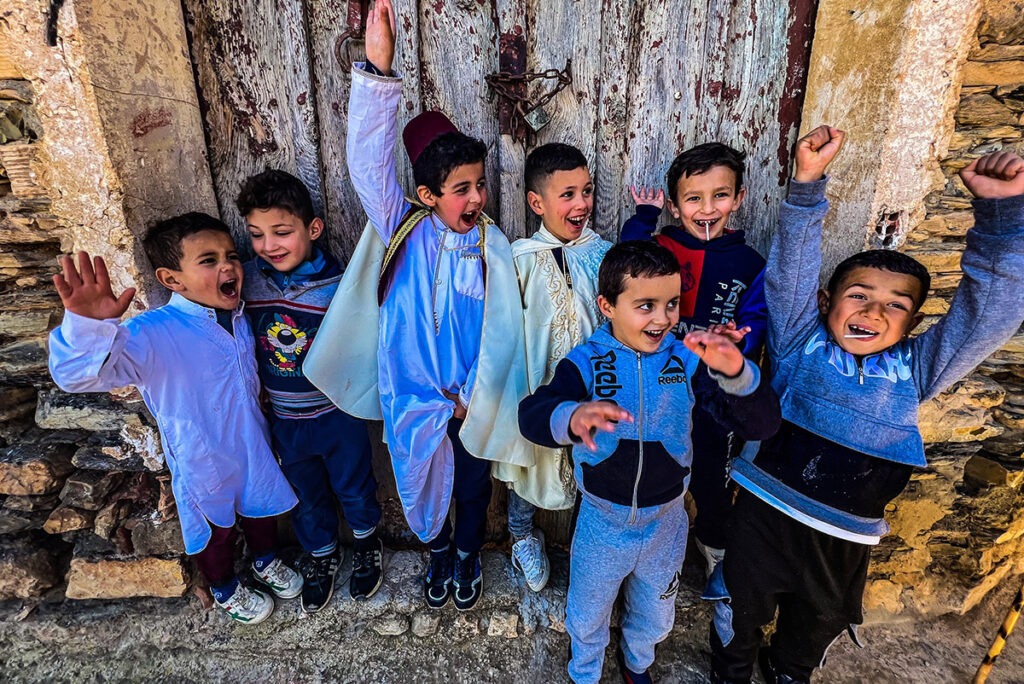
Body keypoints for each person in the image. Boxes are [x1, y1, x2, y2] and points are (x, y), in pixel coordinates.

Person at [709, 128, 1024, 684]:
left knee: (816, 624)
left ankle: (788, 672)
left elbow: (990, 314)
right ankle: (731, 671)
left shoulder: (917, 367)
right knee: (741, 607)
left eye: (895, 306)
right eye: (859, 295)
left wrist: (1000, 220)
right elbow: (792, 274)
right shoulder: (799, 340)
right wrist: (806, 184)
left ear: (914, 324)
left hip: (844, 538)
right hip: (763, 516)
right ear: (828, 302)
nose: (874, 313)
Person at [303, 0, 530, 612]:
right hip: (413, 393)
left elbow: (503, 330)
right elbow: (367, 163)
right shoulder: (402, 227)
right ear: (428, 194)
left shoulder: (493, 245)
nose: (477, 196)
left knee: (475, 481)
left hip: (470, 396)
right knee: (419, 480)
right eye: (462, 189)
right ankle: (434, 552)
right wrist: (378, 70)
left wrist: (477, 394)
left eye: (481, 184)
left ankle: (465, 553)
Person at [518, 241, 781, 683]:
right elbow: (532, 415)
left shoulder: (687, 360)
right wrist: (572, 416)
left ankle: (637, 664)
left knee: (658, 617)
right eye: (645, 306)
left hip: (667, 524)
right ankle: (585, 671)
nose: (662, 318)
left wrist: (736, 372)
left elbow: (762, 424)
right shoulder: (587, 361)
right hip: (602, 525)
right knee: (586, 613)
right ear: (607, 306)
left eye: (671, 304)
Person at [48, 213, 301, 625]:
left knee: (261, 506)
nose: (229, 266)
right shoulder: (153, 333)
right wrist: (89, 328)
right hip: (201, 454)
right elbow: (79, 377)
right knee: (213, 528)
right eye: (208, 260)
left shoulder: (237, 318)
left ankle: (265, 561)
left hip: (250, 438)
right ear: (170, 279)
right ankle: (223, 587)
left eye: (231, 256)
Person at [238, 169, 384, 612]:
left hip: (338, 414)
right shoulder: (247, 282)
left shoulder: (338, 290)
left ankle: (366, 544)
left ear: (313, 229)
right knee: (304, 493)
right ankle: (321, 555)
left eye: (282, 232)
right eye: (256, 234)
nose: (269, 245)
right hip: (285, 420)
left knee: (354, 486)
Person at [621, 142, 767, 573]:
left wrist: (738, 342)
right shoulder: (660, 246)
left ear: (738, 199)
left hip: (714, 392)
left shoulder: (750, 263)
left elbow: (756, 317)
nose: (707, 208)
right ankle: (638, 553)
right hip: (659, 382)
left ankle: (713, 548)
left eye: (720, 195)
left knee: (712, 476)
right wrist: (644, 219)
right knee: (648, 464)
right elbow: (626, 260)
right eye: (693, 198)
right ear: (674, 204)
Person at [491, 142, 611, 592]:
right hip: (537, 390)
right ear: (537, 203)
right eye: (568, 194)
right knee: (531, 469)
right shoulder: (519, 260)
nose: (581, 204)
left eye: (587, 191)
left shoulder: (603, 255)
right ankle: (521, 535)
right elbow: (500, 331)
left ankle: (590, 549)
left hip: (595, 393)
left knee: (593, 470)